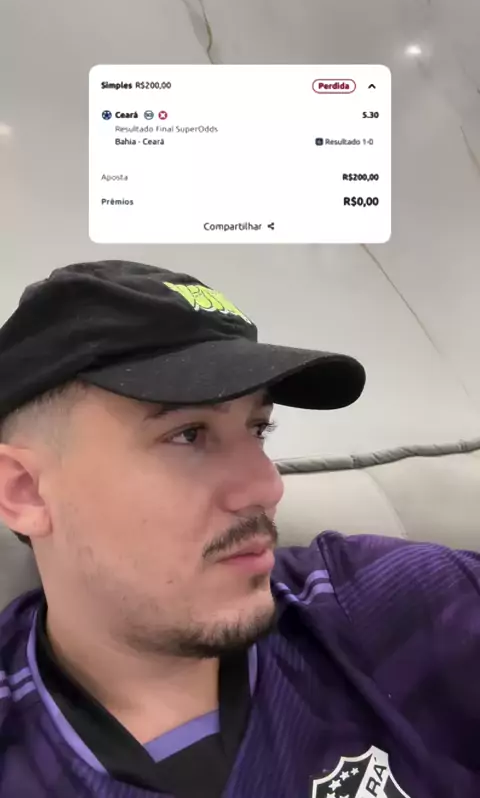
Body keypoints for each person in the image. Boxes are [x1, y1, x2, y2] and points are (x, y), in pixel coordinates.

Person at [0, 260, 478, 798]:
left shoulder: (390, 607)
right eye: (188, 434)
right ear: (25, 490)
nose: (266, 487)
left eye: (258, 428)